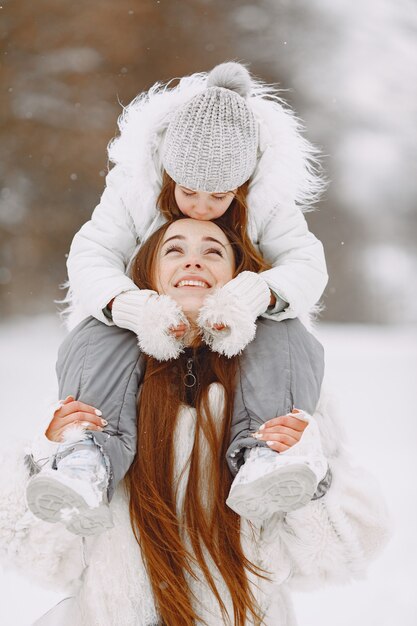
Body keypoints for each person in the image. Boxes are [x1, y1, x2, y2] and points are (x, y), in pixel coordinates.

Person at [1, 219, 389, 626]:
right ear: (147, 274)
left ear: (238, 279)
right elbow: (36, 555)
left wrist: (313, 480)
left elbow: (348, 551)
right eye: (174, 250)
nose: (194, 262)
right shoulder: (100, 384)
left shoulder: (284, 387)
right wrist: (43, 462)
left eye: (213, 251)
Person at [36, 60, 329, 530]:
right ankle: (86, 454)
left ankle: (268, 451)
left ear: (244, 183)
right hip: (143, 317)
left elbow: (306, 263)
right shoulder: (133, 190)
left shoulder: (269, 202)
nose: (202, 206)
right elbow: (92, 253)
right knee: (100, 329)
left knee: (285, 329)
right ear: (169, 170)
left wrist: (257, 294)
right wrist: (126, 304)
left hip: (239, 325)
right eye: (189, 191)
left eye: (220, 196)